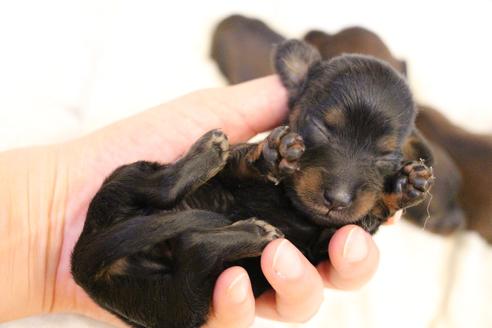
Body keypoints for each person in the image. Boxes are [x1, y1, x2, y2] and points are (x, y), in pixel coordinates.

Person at [0, 76, 400, 328]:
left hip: (146, 278)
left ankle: (206, 239)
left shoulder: (348, 206)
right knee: (132, 182)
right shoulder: (283, 146)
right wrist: (259, 160)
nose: (341, 189)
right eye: (324, 131)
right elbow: (237, 168)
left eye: (382, 158)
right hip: (133, 237)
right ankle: (174, 187)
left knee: (191, 306)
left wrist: (382, 205)